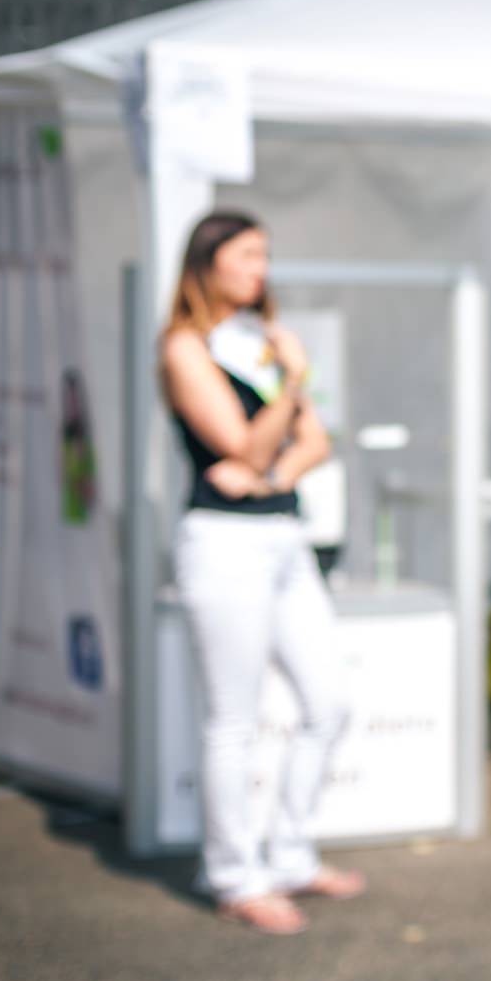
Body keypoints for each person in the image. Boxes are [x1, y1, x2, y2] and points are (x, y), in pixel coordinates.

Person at [158, 211, 361, 935]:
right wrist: (291, 388)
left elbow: (312, 443)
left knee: (328, 700)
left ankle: (289, 852)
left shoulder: (257, 340)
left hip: (281, 533)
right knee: (233, 720)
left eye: (264, 255)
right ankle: (235, 873)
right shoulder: (186, 347)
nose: (259, 268)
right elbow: (243, 443)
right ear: (207, 262)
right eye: (246, 255)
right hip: (221, 542)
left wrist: (264, 465)